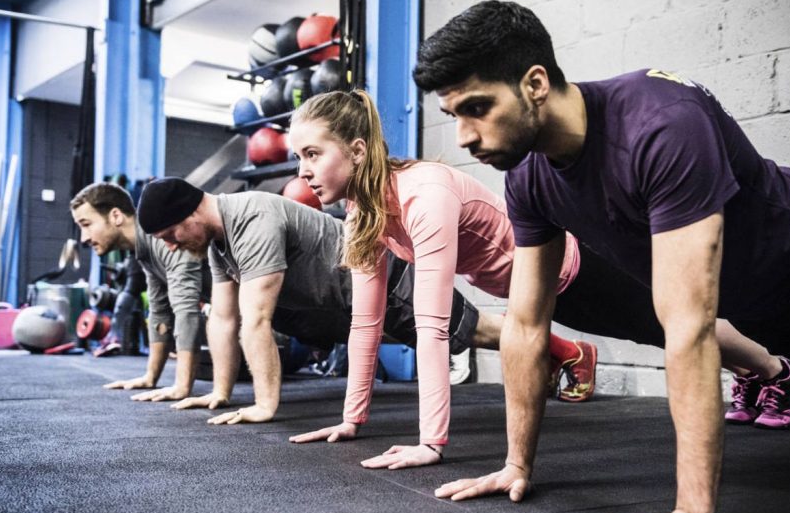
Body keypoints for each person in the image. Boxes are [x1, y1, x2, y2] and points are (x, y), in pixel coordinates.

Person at [412, 0, 790, 513]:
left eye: (477, 108)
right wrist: (516, 465)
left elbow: (687, 324)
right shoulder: (528, 177)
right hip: (763, 306)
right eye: (454, 117)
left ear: (535, 82)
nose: (465, 138)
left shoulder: (660, 123)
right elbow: (524, 323)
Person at [286, 90, 606, 468]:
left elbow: (433, 328)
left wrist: (430, 443)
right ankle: (571, 353)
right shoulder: (363, 212)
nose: (303, 172)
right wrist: (351, 419)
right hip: (532, 293)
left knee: (669, 325)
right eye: (298, 158)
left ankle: (575, 353)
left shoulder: (424, 195)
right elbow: (365, 323)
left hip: (579, 274)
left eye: (313, 154)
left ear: (357, 151)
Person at [136, 178, 514, 431]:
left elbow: (255, 320)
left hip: (388, 280)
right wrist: (221, 392)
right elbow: (222, 319)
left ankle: (563, 349)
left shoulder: (251, 218)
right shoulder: (220, 244)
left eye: (171, 235)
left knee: (477, 332)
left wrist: (266, 406)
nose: (170, 246)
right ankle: (546, 351)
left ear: (192, 213)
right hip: (344, 308)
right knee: (455, 338)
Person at [70, 182, 206, 402]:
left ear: (116, 216)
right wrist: (150, 377)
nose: (83, 238)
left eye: (87, 224)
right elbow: (160, 312)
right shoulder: (144, 251)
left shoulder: (164, 238)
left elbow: (186, 310)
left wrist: (182, 386)